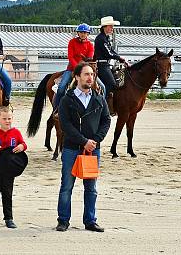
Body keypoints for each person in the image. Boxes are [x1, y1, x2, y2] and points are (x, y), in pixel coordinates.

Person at [56, 62, 110, 233]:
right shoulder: (67, 99)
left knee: (91, 188)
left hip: (93, 149)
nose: (90, 78)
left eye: (92, 75)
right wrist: (83, 141)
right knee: (67, 186)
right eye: (86, 74)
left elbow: (106, 120)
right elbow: (66, 125)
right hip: (72, 148)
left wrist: (95, 140)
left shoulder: (99, 98)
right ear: (77, 77)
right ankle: (63, 220)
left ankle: (90, 220)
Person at [0, 106, 27, 229]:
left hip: (9, 169)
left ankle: (8, 218)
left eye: (9, 118)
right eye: (4, 118)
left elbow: (23, 144)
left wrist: (21, 147)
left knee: (8, 193)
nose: (7, 121)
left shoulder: (16, 133)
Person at [54, 23, 101, 113]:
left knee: (102, 87)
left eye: (85, 32)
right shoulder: (72, 42)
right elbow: (70, 57)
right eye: (81, 32)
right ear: (78, 33)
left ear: (88, 34)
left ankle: (100, 108)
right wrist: (77, 68)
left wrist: (84, 69)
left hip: (85, 70)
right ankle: (57, 109)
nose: (83, 34)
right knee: (61, 88)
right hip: (72, 69)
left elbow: (89, 58)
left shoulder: (90, 45)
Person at [94, 16, 126, 115]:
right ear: (104, 27)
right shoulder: (101, 39)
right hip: (102, 64)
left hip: (105, 64)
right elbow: (109, 53)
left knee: (116, 80)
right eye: (110, 26)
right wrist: (120, 58)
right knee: (111, 84)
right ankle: (102, 104)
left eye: (112, 26)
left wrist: (119, 57)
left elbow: (111, 51)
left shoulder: (105, 38)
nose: (112, 28)